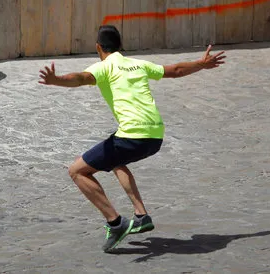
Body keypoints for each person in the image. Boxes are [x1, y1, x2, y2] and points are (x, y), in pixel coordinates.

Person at [38, 25, 226, 252]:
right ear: (121, 46)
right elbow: (175, 70)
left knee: (77, 171)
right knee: (115, 159)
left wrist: (56, 79)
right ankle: (141, 215)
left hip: (132, 136)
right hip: (155, 136)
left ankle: (115, 223)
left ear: (98, 47)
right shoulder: (138, 64)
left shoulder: (104, 67)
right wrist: (201, 64)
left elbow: (81, 78)